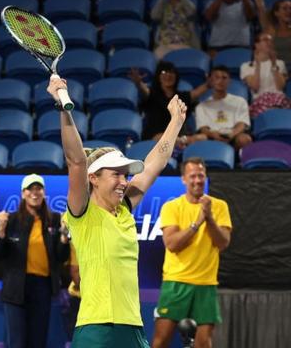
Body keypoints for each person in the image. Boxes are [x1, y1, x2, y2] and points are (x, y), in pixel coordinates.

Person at [49, 75, 187, 347]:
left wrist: (176, 122)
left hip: (133, 326)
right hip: (95, 329)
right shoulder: (82, 212)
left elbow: (154, 164)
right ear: (94, 178)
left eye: (126, 175)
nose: (125, 182)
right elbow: (76, 160)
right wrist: (63, 107)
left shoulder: (124, 209)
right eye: (117, 174)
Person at [152, 157, 232, 348]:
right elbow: (171, 244)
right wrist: (197, 223)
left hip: (206, 283)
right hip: (176, 282)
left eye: (201, 175)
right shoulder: (171, 207)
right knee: (161, 340)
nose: (197, 180)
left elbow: (223, 243)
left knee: (203, 343)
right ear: (184, 179)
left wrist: (209, 218)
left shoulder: (219, 206)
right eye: (193, 176)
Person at [0, 174, 70, 348]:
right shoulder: (10, 220)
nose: (35, 193)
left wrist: (65, 236)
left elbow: (61, 257)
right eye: (30, 189)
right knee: (17, 343)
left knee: (38, 341)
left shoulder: (55, 219)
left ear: (43, 192)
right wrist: (1, 232)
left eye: (38, 189)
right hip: (16, 287)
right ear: (23, 193)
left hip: (42, 287)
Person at [129, 61, 207, 150]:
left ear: (176, 76)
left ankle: (180, 143)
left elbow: (196, 93)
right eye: (164, 72)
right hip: (156, 137)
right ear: (158, 76)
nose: (168, 75)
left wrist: (209, 83)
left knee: (202, 137)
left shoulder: (181, 96)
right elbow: (144, 90)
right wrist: (138, 83)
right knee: (161, 137)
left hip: (180, 137)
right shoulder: (152, 94)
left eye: (172, 72)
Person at [195, 65, 253, 150]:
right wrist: (214, 135)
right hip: (211, 136)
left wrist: (231, 134)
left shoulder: (240, 101)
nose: (220, 81)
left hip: (233, 136)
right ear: (211, 80)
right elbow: (203, 129)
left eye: (224, 78)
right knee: (198, 138)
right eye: (217, 77)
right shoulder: (202, 106)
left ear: (229, 81)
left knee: (245, 139)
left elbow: (241, 124)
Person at [240, 32, 290, 118]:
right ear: (257, 45)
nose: (269, 42)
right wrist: (258, 65)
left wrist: (274, 64)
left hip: (279, 100)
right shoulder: (246, 66)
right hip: (260, 100)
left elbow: (280, 87)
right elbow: (255, 87)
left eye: (271, 40)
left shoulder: (280, 63)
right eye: (265, 40)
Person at [254, 0, 291, 68]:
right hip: (277, 68)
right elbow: (260, 7)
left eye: (290, 8)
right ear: (276, 13)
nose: (289, 11)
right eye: (284, 8)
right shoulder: (270, 30)